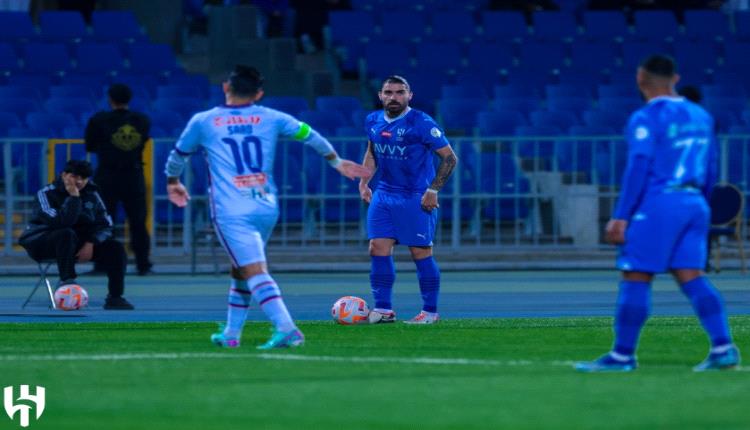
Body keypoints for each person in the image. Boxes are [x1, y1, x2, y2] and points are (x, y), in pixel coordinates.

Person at [164, 65, 371, 349]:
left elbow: (178, 156)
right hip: (266, 207)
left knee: (254, 270)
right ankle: (231, 334)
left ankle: (287, 328)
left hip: (231, 210)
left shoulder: (204, 121)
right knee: (241, 268)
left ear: (226, 87)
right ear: (259, 93)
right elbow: (309, 133)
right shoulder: (271, 117)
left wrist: (173, 181)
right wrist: (336, 161)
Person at [575, 55, 740, 372]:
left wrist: (621, 215)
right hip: (695, 202)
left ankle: (622, 355)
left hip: (660, 203)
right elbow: (711, 166)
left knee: (636, 275)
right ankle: (723, 347)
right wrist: (702, 204)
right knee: (691, 275)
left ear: (640, 79)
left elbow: (639, 165)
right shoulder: (701, 115)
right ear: (675, 79)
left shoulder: (646, 117)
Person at [359, 75, 458, 325]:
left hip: (415, 196)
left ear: (409, 96)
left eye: (400, 92)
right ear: (380, 95)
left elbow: (450, 158)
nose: (394, 97)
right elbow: (372, 151)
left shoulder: (422, 122)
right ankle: (383, 309)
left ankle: (430, 312)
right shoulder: (372, 120)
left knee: (420, 252)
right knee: (377, 247)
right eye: (388, 92)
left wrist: (433, 190)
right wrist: (364, 181)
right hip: (384, 194)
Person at [18, 160, 134, 310]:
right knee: (65, 233)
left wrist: (91, 242)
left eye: (83, 178)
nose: (79, 182)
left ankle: (115, 297)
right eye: (74, 176)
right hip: (43, 242)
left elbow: (106, 225)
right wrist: (74, 197)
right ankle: (68, 283)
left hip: (77, 243)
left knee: (115, 248)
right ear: (63, 175)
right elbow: (60, 222)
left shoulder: (92, 194)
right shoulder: (46, 194)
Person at [85, 83, 154, 276]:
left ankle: (102, 264)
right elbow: (143, 141)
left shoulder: (99, 120)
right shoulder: (141, 120)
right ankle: (143, 265)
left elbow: (90, 146)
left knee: (105, 222)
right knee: (138, 222)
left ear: (110, 99)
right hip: (133, 175)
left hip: (108, 176)